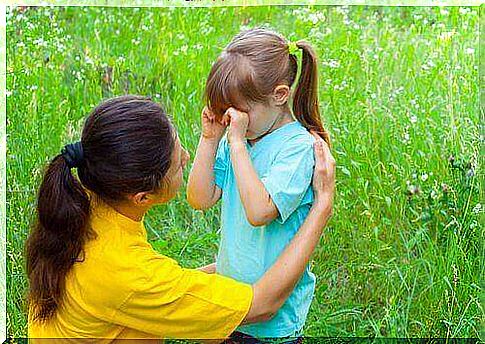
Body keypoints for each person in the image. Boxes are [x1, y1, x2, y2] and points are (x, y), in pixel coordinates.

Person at [26, 95, 335, 342]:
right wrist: (321, 206)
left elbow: (162, 288)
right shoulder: (127, 272)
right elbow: (262, 306)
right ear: (142, 197)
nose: (187, 156)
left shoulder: (89, 197)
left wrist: (230, 268)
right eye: (176, 165)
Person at [187, 28, 331, 338]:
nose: (232, 122)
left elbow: (259, 211)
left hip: (272, 325)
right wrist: (210, 139)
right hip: (233, 303)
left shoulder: (297, 148)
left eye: (241, 112)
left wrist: (236, 143)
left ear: (279, 96)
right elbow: (200, 198)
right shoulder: (243, 138)